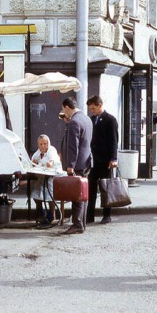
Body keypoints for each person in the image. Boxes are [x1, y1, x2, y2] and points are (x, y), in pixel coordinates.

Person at [60, 97, 93, 234]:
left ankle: (77, 224)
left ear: (67, 107)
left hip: (77, 163)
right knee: (83, 193)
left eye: (63, 109)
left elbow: (74, 146)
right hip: (86, 161)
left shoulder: (74, 122)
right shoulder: (86, 119)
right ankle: (81, 222)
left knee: (77, 195)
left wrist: (70, 165)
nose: (63, 112)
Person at [85, 95, 119, 224]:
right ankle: (90, 215)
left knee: (106, 188)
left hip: (105, 160)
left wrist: (113, 158)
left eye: (93, 108)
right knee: (91, 188)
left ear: (100, 105)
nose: (92, 111)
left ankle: (107, 214)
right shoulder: (91, 119)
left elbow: (114, 141)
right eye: (90, 109)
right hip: (93, 160)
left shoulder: (110, 120)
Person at [31, 134, 62, 224]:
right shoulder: (37, 153)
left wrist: (51, 162)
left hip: (52, 177)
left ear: (48, 143)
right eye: (41, 144)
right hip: (41, 177)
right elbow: (32, 161)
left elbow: (54, 159)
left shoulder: (52, 150)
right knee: (36, 192)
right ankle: (40, 214)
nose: (43, 146)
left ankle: (52, 215)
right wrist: (33, 162)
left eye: (45, 143)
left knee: (50, 194)